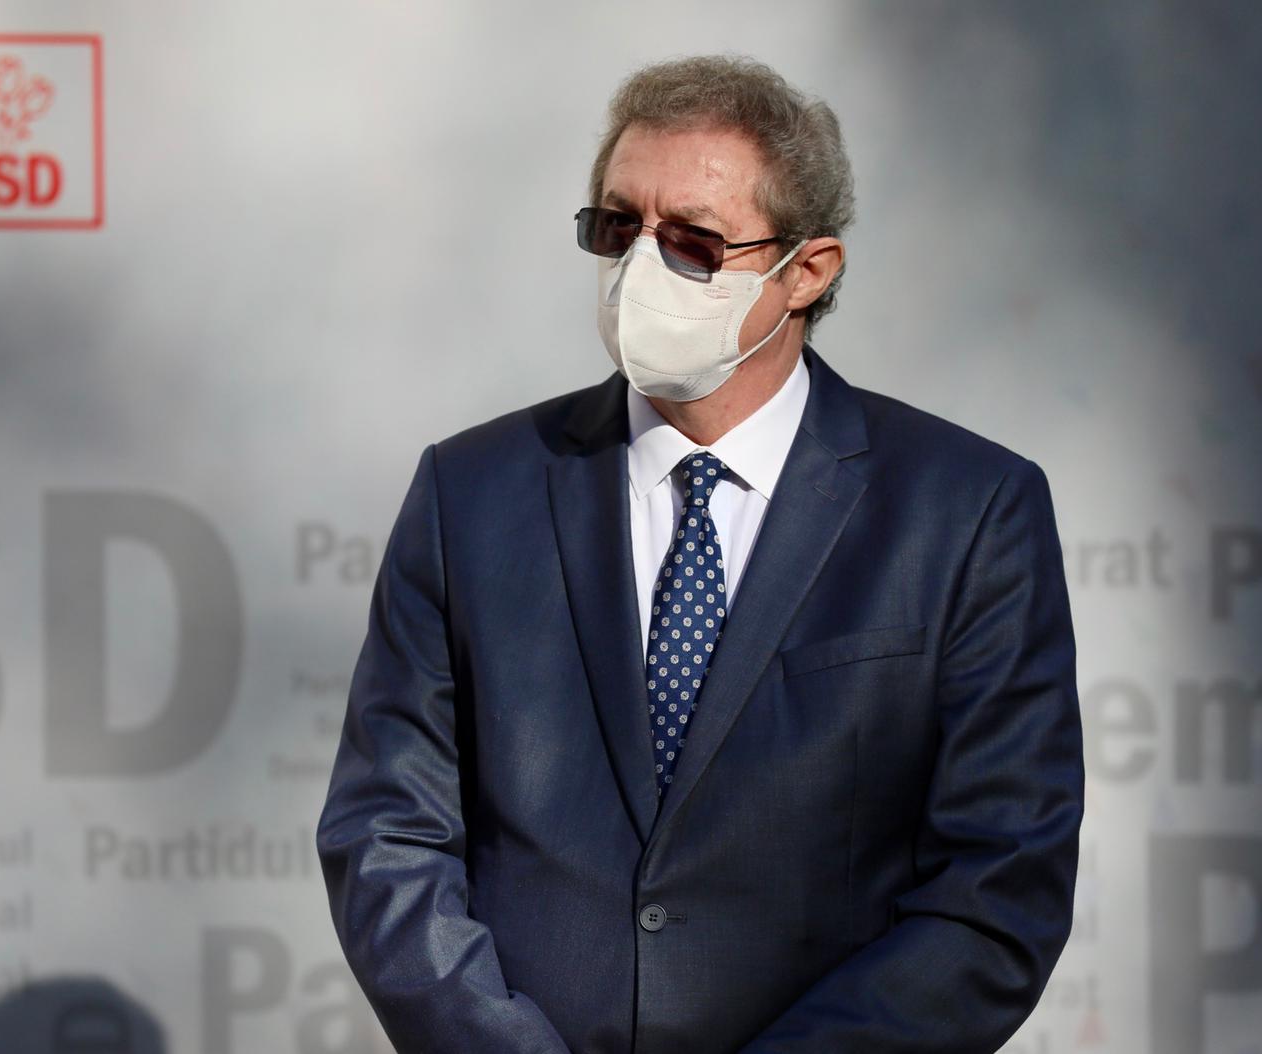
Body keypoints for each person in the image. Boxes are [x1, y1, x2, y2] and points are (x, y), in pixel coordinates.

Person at [316, 53, 1084, 1054]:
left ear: (807, 270)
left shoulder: (967, 511)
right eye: (616, 227)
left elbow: (999, 883)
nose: (641, 266)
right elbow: (388, 834)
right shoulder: (470, 494)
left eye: (692, 240)